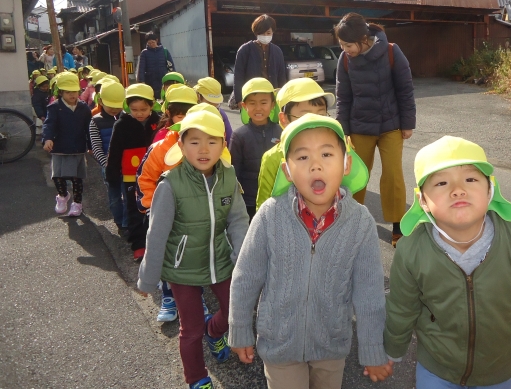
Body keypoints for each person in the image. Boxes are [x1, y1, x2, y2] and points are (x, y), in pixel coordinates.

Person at [384, 136, 511, 389]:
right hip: (436, 370)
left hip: (498, 373)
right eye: (441, 182)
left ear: (490, 189)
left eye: (471, 179)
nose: (458, 189)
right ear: (422, 200)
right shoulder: (411, 249)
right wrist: (391, 351)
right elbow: (401, 308)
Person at [229, 114, 390, 388]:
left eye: (327, 154)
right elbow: (246, 276)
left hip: (331, 344)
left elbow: (369, 291)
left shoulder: (360, 221)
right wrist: (240, 328)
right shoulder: (270, 215)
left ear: (347, 163)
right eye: (302, 157)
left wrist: (373, 348)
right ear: (287, 170)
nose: (316, 165)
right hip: (279, 344)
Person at [137, 108, 249, 389]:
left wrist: (244, 259)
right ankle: (197, 378)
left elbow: (237, 221)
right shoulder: (170, 183)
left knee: (235, 311)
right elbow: (157, 234)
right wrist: (149, 278)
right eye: (194, 141)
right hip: (181, 268)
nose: (203, 149)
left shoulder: (228, 176)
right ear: (181, 145)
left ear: (223, 145)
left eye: (212, 141)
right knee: (190, 329)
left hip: (219, 260)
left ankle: (215, 331)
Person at [334, 12, 416, 247]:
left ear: (363, 39)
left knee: (392, 175)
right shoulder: (345, 60)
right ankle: (351, 222)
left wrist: (408, 123)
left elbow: (405, 89)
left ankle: (398, 227)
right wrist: (343, 129)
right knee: (356, 176)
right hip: (360, 126)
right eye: (341, 44)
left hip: (391, 125)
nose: (345, 49)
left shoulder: (391, 51)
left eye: (348, 44)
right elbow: (343, 97)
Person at [255, 78, 334, 210]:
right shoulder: (273, 158)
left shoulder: (334, 150)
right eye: (305, 116)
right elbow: (263, 205)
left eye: (321, 114)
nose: (314, 122)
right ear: (284, 119)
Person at [106, 83, 161, 261]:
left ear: (152, 105)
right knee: (134, 210)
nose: (139, 113)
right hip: (131, 176)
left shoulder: (158, 122)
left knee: (156, 209)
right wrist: (112, 174)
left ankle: (155, 243)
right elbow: (114, 152)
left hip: (155, 174)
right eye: (134, 109)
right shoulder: (121, 124)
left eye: (143, 109)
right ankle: (138, 245)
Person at [42, 73, 92, 217]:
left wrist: (90, 145)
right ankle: (62, 196)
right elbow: (49, 125)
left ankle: (77, 203)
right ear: (60, 92)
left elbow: (89, 128)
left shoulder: (84, 108)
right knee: (58, 177)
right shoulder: (54, 107)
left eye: (74, 91)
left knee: (77, 178)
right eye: (68, 92)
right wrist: (48, 139)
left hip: (78, 147)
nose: (72, 95)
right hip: (59, 147)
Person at [229, 78, 281, 218]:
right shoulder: (239, 136)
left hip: (277, 198)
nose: (258, 108)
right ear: (244, 106)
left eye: (264, 103)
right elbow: (234, 172)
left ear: (272, 105)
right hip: (248, 202)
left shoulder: (282, 131)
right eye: (252, 103)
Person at [89, 80, 127, 230]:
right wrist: (107, 164)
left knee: (128, 196)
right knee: (115, 197)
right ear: (100, 101)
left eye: (118, 105)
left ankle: (126, 223)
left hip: (127, 166)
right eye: (110, 105)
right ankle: (119, 221)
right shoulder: (95, 121)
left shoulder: (127, 119)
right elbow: (96, 146)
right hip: (108, 167)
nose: (114, 109)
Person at [232, 14, 286, 107]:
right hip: (251, 96)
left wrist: (283, 96)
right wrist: (239, 99)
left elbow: (281, 76)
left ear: (273, 32)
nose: (265, 35)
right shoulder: (245, 50)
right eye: (262, 33)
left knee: (273, 121)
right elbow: (238, 77)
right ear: (256, 33)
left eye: (268, 33)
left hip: (272, 98)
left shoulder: (277, 51)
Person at [194, 77, 232, 145]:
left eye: (216, 104)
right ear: (198, 96)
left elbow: (230, 141)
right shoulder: (190, 114)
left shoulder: (221, 115)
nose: (213, 107)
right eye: (209, 102)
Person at [136, 31, 175, 97]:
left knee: (164, 97)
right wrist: (141, 81)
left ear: (157, 40)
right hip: (150, 81)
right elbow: (141, 68)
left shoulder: (164, 51)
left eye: (153, 42)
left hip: (163, 80)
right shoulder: (144, 53)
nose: (151, 44)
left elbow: (171, 66)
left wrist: (173, 78)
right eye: (149, 43)